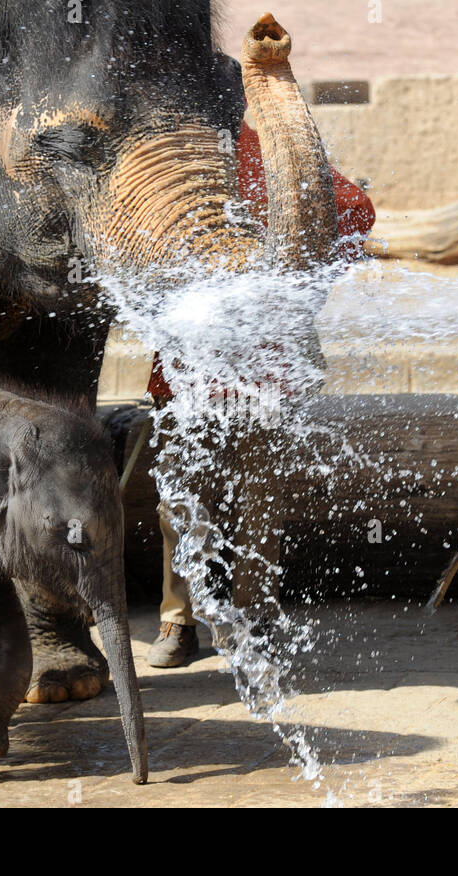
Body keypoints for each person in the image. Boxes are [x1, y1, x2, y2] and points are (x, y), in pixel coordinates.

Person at [146, 120, 376, 667]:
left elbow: (354, 206)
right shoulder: (165, 151)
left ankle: (256, 616)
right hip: (187, 363)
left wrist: (303, 280)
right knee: (180, 494)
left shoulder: (272, 148)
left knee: (259, 496)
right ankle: (179, 619)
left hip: (266, 364)